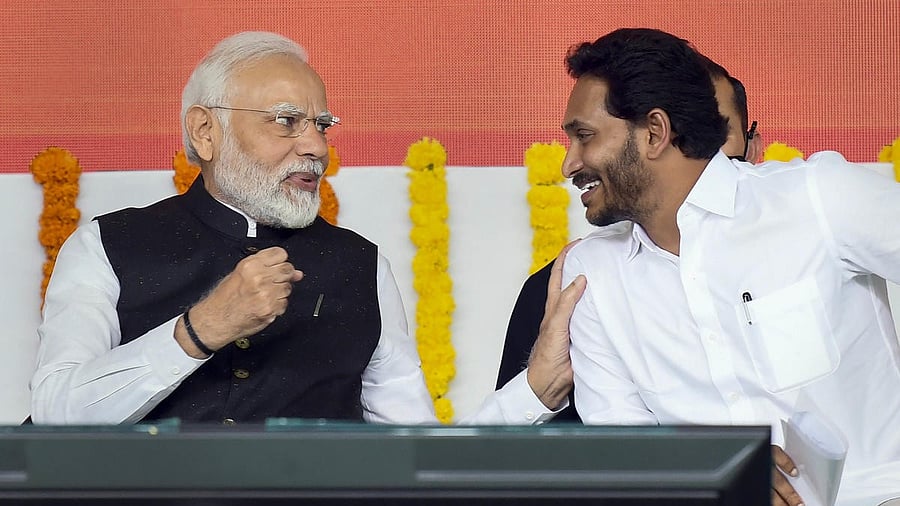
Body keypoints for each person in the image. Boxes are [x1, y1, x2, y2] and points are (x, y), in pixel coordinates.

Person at [30, 31, 584, 427]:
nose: (316, 147)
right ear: (205, 132)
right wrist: (197, 332)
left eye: (321, 125)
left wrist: (533, 393)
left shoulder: (360, 266)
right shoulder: (105, 246)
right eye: (286, 121)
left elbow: (413, 451)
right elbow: (56, 416)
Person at [559, 28, 900, 506]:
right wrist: (716, 474)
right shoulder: (593, 274)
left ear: (654, 132)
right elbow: (624, 459)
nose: (569, 163)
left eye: (584, 136)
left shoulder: (817, 199)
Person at [496, 57, 760, 424]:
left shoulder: (808, 231)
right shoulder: (573, 289)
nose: (697, 152)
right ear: (657, 135)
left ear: (753, 147)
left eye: (713, 135)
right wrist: (540, 385)